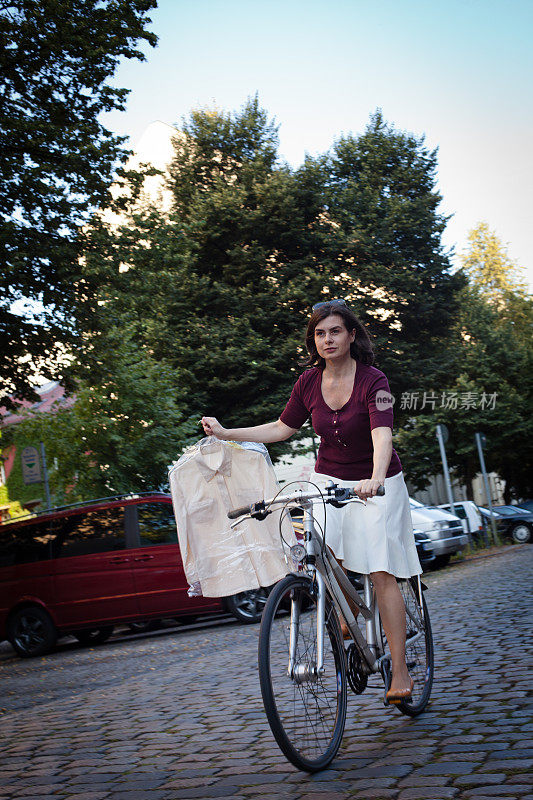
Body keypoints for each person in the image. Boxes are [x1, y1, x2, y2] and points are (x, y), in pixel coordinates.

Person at [201, 298, 421, 702]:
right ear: (313, 341)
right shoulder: (306, 382)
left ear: (351, 335)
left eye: (335, 331)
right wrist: (226, 432)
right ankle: (345, 611)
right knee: (321, 550)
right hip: (329, 477)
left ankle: (401, 673)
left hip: (377, 482)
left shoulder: (376, 381)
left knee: (380, 571)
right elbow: (282, 428)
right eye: (320, 333)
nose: (327, 339)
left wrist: (374, 478)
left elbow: (382, 434)